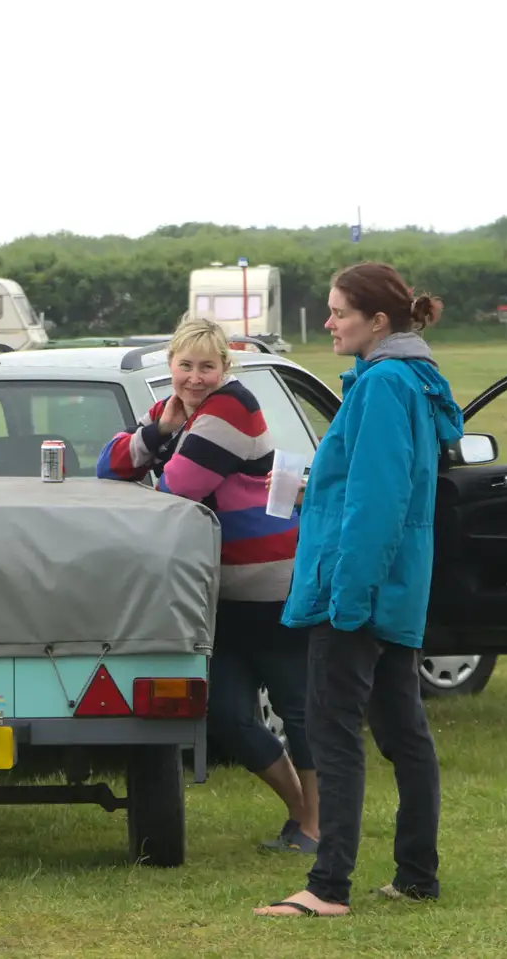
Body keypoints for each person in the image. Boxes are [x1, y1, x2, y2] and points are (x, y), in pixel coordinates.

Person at [254, 261, 464, 919]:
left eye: (339, 310)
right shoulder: (406, 381)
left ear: (377, 321)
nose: (328, 321)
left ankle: (327, 886)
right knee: (403, 730)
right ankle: (416, 875)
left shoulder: (384, 385)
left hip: (359, 591)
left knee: (332, 730)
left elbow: (378, 501)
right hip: (392, 589)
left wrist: (347, 598)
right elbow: (375, 483)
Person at [97, 315, 319, 852]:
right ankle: (302, 814)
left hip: (270, 584)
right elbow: (109, 467)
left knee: (297, 707)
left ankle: (315, 825)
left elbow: (180, 489)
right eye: (186, 366)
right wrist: (157, 432)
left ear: (226, 368)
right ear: (171, 366)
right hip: (217, 591)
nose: (196, 377)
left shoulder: (231, 407)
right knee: (224, 712)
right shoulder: (181, 413)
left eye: (208, 367)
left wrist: (152, 456)